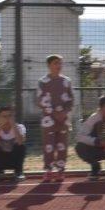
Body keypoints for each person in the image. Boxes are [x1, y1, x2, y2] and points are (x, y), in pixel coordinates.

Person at [36, 54, 75, 182]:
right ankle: (48, 170)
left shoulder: (66, 81)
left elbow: (71, 100)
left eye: (60, 63)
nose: (59, 65)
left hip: (63, 119)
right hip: (48, 120)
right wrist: (53, 113)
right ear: (49, 65)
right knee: (49, 145)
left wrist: (64, 112)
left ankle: (60, 170)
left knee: (62, 145)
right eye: (56, 63)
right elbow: (40, 100)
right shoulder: (43, 82)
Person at [0, 105, 26, 181]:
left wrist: (13, 125)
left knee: (21, 146)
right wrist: (0, 126)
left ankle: (19, 172)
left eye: (10, 116)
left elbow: (21, 141)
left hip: (15, 158)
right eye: (4, 116)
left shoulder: (20, 127)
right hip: (0, 158)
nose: (7, 118)